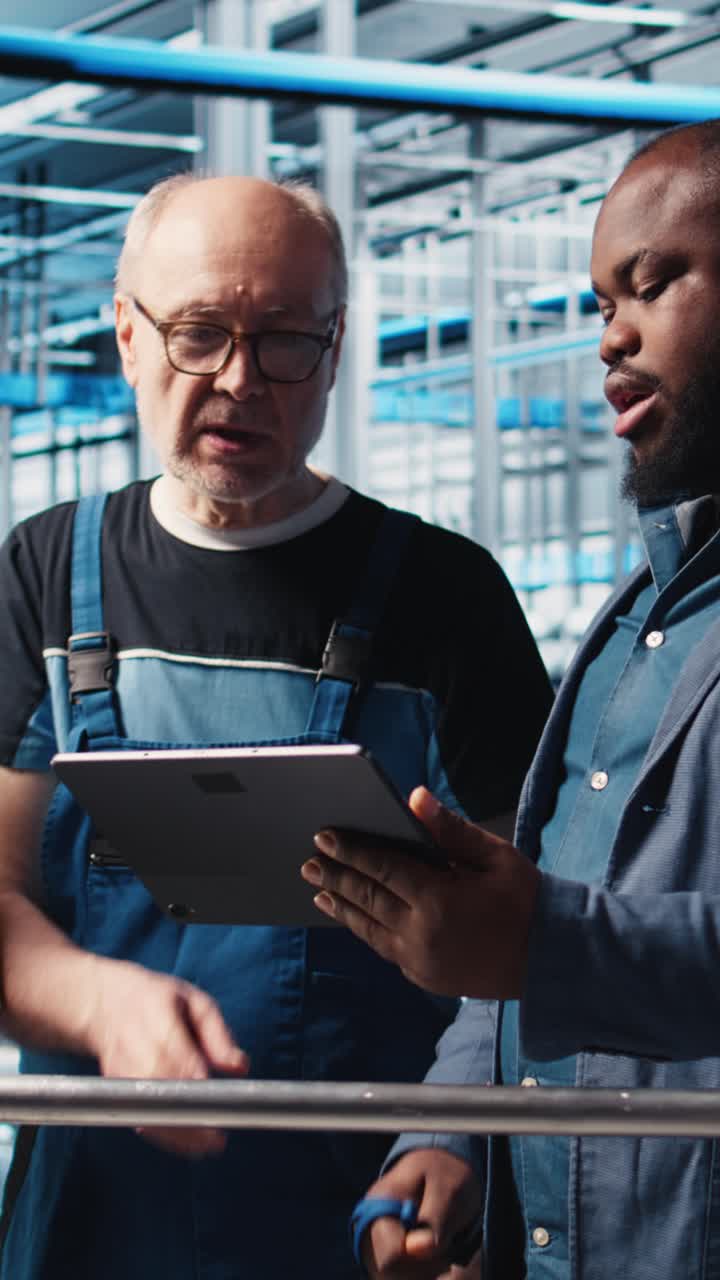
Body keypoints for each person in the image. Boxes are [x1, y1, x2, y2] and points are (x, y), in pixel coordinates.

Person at [0, 172, 552, 1279]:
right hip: (90, 1222)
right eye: (199, 333)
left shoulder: (449, 597)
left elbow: (533, 930)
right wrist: (98, 1000)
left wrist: (456, 1133)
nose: (241, 381)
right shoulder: (45, 575)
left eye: (287, 340)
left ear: (338, 347)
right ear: (126, 332)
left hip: (366, 1218)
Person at [301, 117, 720, 1279]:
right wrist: (449, 1133)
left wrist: (544, 939)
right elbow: (529, 932)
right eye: (600, 304)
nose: (613, 337)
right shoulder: (638, 615)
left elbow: (550, 936)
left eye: (653, 284)